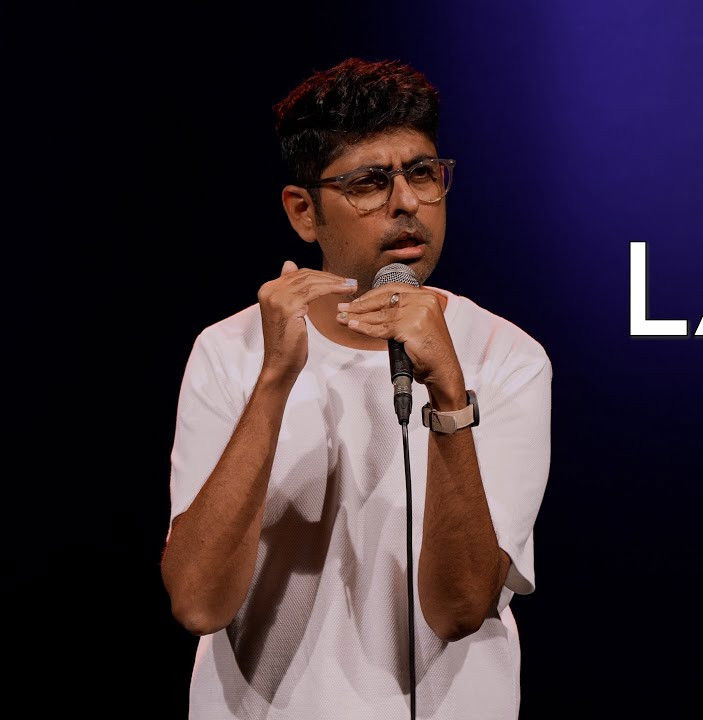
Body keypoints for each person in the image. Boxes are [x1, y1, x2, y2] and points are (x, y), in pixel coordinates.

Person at [159, 57, 552, 719]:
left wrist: (448, 394)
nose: (406, 203)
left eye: (422, 173)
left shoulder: (506, 356)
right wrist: (275, 382)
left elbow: (459, 609)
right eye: (369, 182)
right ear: (303, 212)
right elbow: (198, 603)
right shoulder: (229, 352)